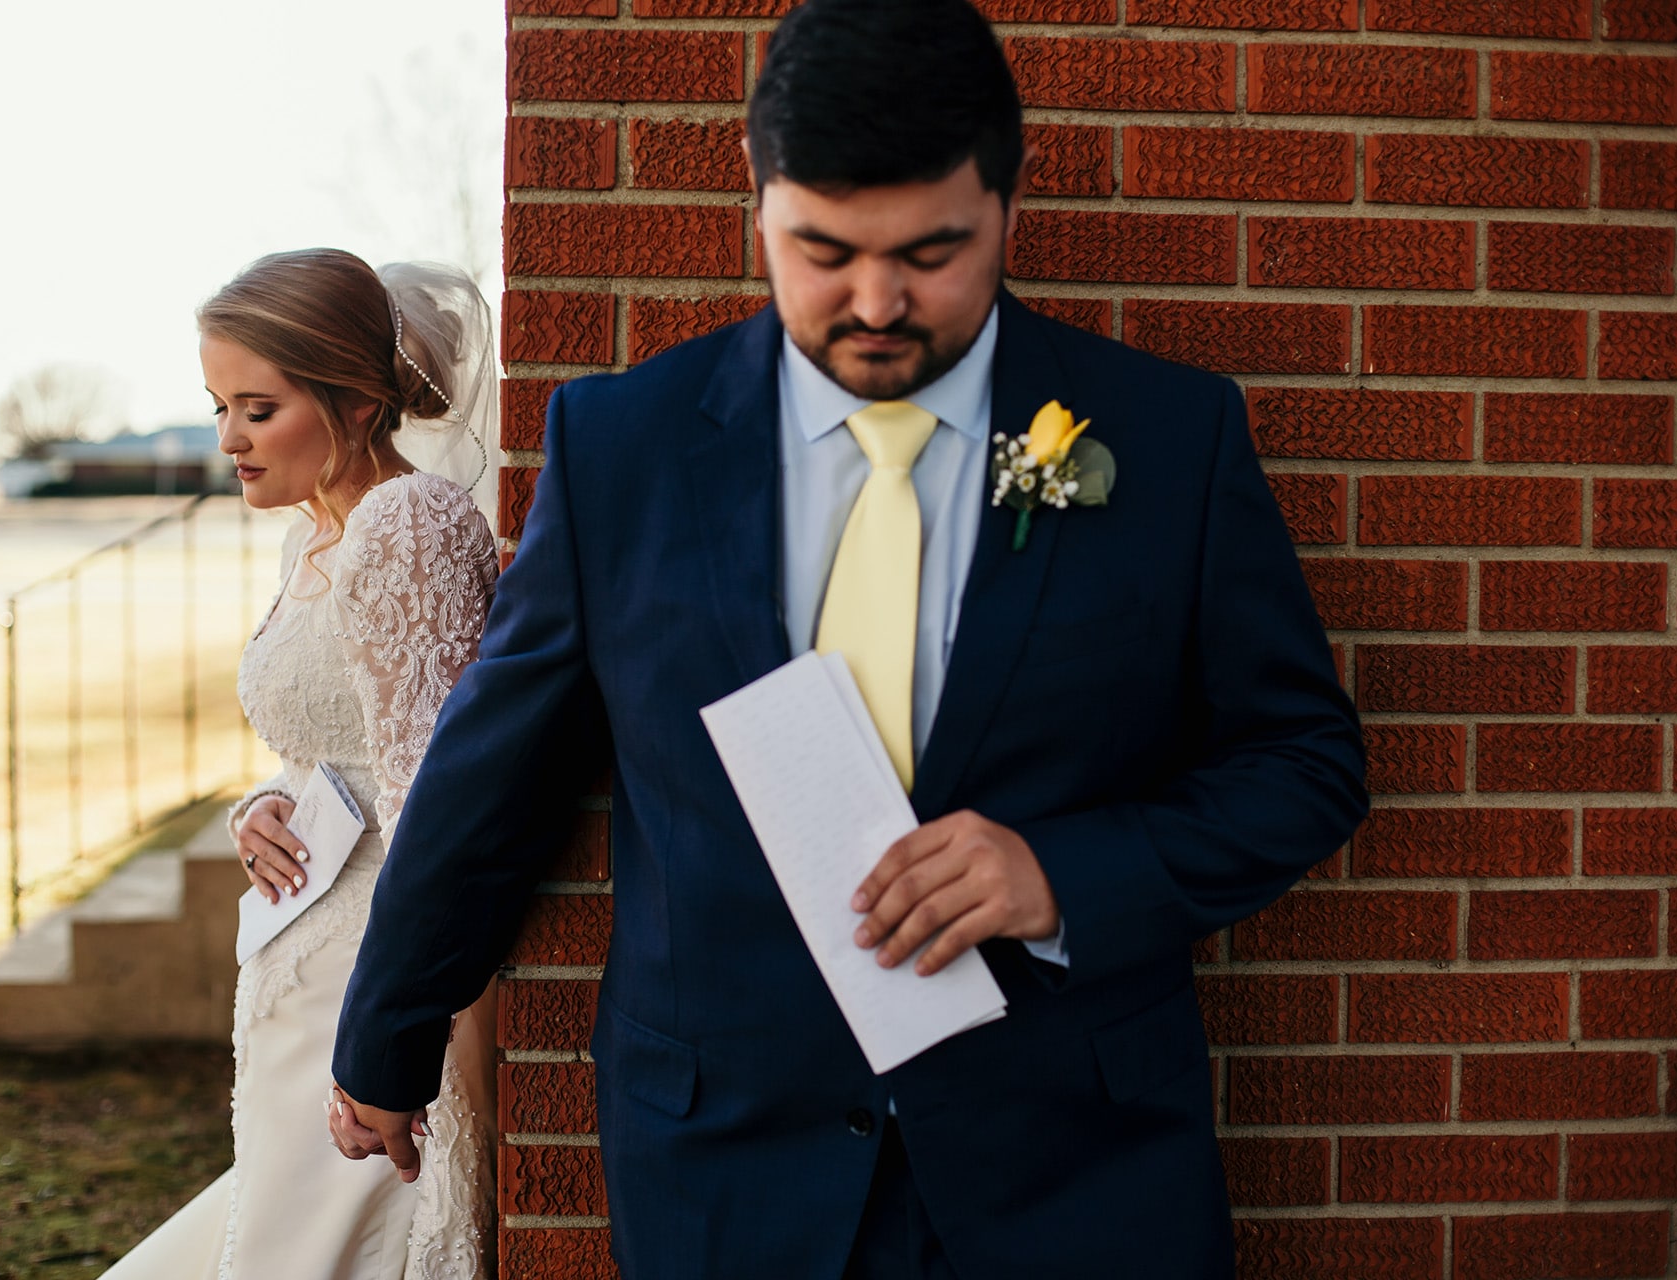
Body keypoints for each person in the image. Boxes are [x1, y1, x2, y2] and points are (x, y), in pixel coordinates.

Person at [328, 1, 1368, 1275]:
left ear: (1007, 202)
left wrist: (1064, 873)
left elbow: (1304, 758)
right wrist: (388, 1035)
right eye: (824, 251)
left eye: (931, 253)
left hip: (1071, 1170)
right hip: (726, 1171)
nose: (876, 302)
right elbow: (498, 768)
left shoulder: (1167, 438)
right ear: (758, 198)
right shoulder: (623, 451)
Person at [104, 250, 500, 1280]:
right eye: (218, 405)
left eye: (257, 407)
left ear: (359, 402)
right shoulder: (315, 538)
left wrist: (402, 1038)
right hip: (299, 953)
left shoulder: (409, 526)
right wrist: (265, 807)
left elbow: (435, 799)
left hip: (369, 976)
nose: (228, 438)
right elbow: (338, 744)